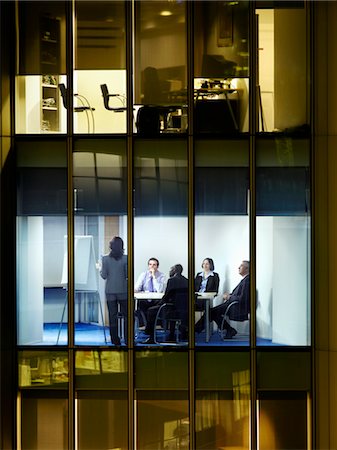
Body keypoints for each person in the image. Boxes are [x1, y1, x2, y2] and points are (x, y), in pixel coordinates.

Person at [195, 260, 250, 339]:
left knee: (211, 312)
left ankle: (194, 330)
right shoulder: (245, 280)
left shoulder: (247, 281)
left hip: (237, 307)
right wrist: (230, 295)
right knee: (212, 312)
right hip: (232, 304)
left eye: (241, 266)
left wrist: (229, 297)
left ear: (247, 269)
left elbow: (242, 299)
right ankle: (229, 329)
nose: (238, 268)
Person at [142, 264, 188, 344]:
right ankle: (172, 334)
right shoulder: (187, 281)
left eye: (171, 269)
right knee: (167, 308)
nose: (170, 271)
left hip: (170, 309)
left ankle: (151, 337)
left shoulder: (171, 280)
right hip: (183, 310)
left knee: (151, 310)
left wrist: (159, 303)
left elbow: (167, 296)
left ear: (174, 270)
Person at [100, 236, 128, 347]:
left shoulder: (105, 259)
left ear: (111, 246)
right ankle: (127, 338)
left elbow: (104, 275)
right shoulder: (126, 258)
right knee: (127, 317)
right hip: (123, 290)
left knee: (113, 317)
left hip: (110, 291)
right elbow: (127, 275)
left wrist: (99, 268)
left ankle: (115, 340)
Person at [134, 257, 166, 326]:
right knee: (140, 303)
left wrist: (154, 277)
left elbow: (160, 290)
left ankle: (154, 326)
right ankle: (143, 325)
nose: (152, 266)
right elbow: (137, 287)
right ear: (148, 266)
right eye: (150, 264)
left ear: (157, 266)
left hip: (156, 300)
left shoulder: (161, 276)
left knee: (157, 308)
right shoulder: (143, 274)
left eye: (154, 265)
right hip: (145, 298)